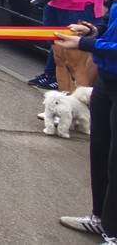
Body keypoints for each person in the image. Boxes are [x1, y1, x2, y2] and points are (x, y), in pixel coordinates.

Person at [56, 13, 117, 244]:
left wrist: (84, 43)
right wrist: (93, 31)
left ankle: (113, 234)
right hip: (107, 80)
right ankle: (100, 218)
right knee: (100, 153)